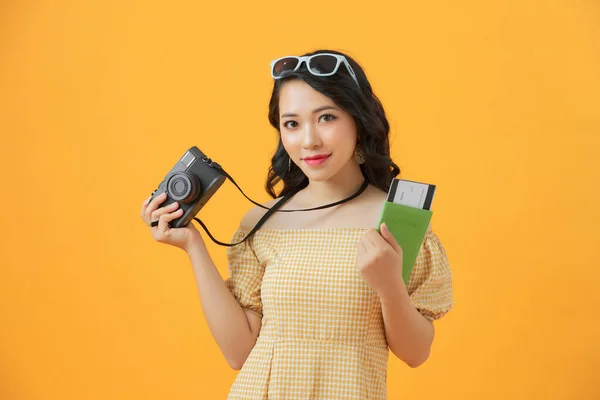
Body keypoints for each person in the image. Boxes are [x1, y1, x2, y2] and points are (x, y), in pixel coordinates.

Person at [140, 49, 454, 399]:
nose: (309, 141)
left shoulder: (398, 220)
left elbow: (415, 353)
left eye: (326, 118)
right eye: (292, 123)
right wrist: (192, 245)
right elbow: (238, 353)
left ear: (359, 121)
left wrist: (389, 285)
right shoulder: (262, 221)